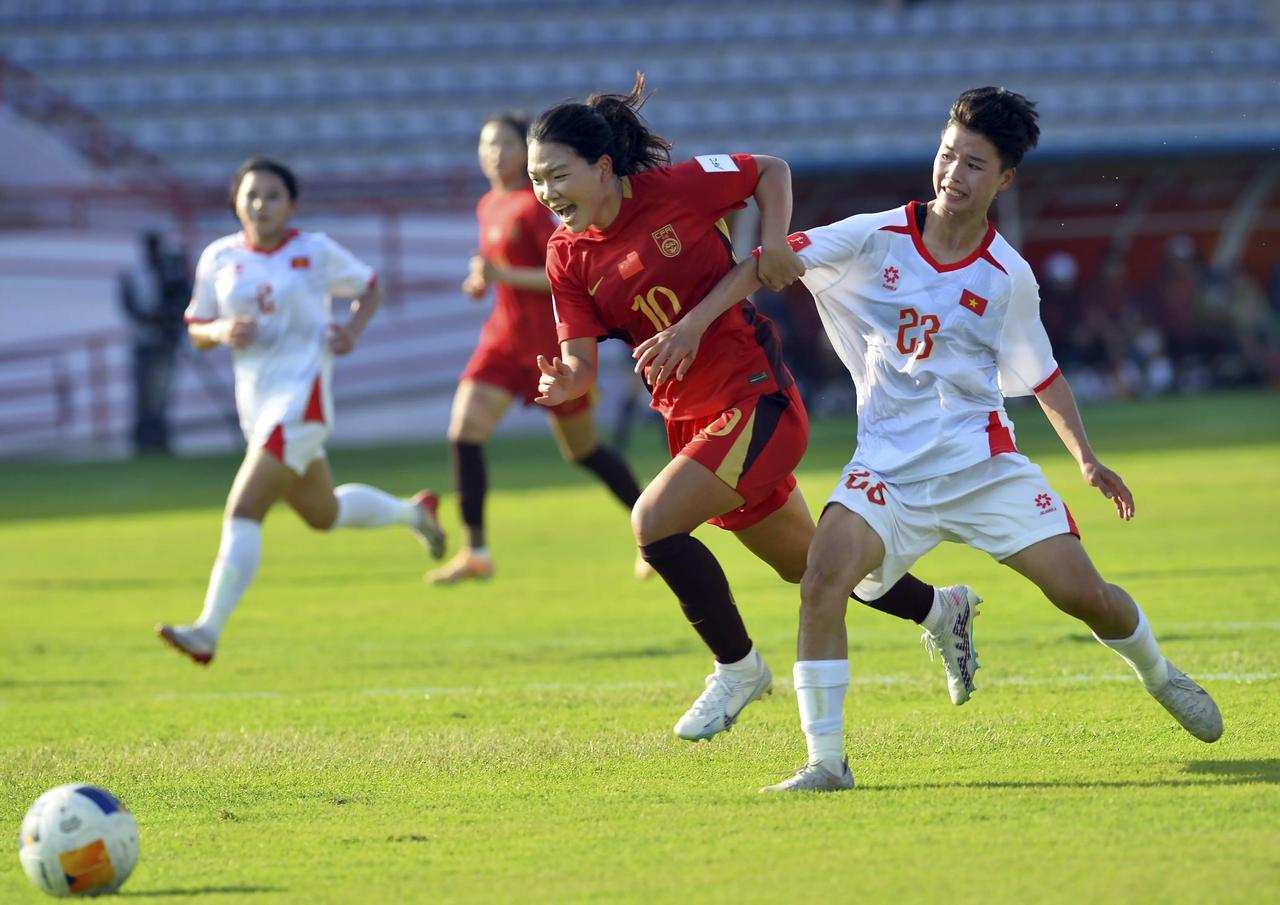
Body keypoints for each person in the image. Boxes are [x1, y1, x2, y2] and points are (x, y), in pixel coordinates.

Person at [667, 86, 1223, 792]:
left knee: (1086, 596)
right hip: (888, 471)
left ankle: (1158, 672)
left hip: (983, 466)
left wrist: (1085, 457)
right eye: (947, 155)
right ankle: (826, 762)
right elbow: (765, 263)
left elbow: (1042, 373)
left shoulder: (1007, 277)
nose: (952, 175)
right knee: (821, 583)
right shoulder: (873, 237)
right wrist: (695, 320)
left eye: (973, 165)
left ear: (1005, 179)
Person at [528, 74, 982, 742]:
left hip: (754, 398)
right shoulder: (565, 257)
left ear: (601, 168)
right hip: (690, 417)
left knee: (651, 524)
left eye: (556, 175)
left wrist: (774, 239)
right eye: (536, 180)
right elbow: (579, 360)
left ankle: (737, 666)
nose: (547, 193)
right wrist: (565, 383)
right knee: (814, 568)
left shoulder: (677, 188)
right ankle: (943, 610)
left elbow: (770, 170)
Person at [156, 156, 446, 665]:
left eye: (272, 195)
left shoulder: (314, 251)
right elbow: (197, 329)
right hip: (257, 407)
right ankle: (413, 513)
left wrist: (351, 332)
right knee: (322, 513)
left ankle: (207, 630)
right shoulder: (219, 258)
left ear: (291, 204)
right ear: (236, 202)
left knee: (243, 509)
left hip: (301, 401)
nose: (260, 204)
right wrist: (221, 331)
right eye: (251, 195)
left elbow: (370, 286)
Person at [429, 112, 650, 585]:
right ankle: (476, 552)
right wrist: (481, 280)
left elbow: (560, 275)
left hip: (551, 348)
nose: (494, 154)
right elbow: (498, 269)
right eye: (486, 145)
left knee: (584, 451)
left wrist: (500, 276)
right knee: (463, 433)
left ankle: (652, 531)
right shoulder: (488, 204)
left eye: (504, 145)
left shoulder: (536, 208)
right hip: (502, 343)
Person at [117, 230, 192, 453]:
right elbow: (131, 307)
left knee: (161, 392)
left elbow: (182, 300)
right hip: (143, 342)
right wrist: (153, 318)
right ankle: (143, 441)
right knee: (143, 393)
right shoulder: (135, 275)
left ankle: (158, 440)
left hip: (165, 343)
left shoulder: (170, 274)